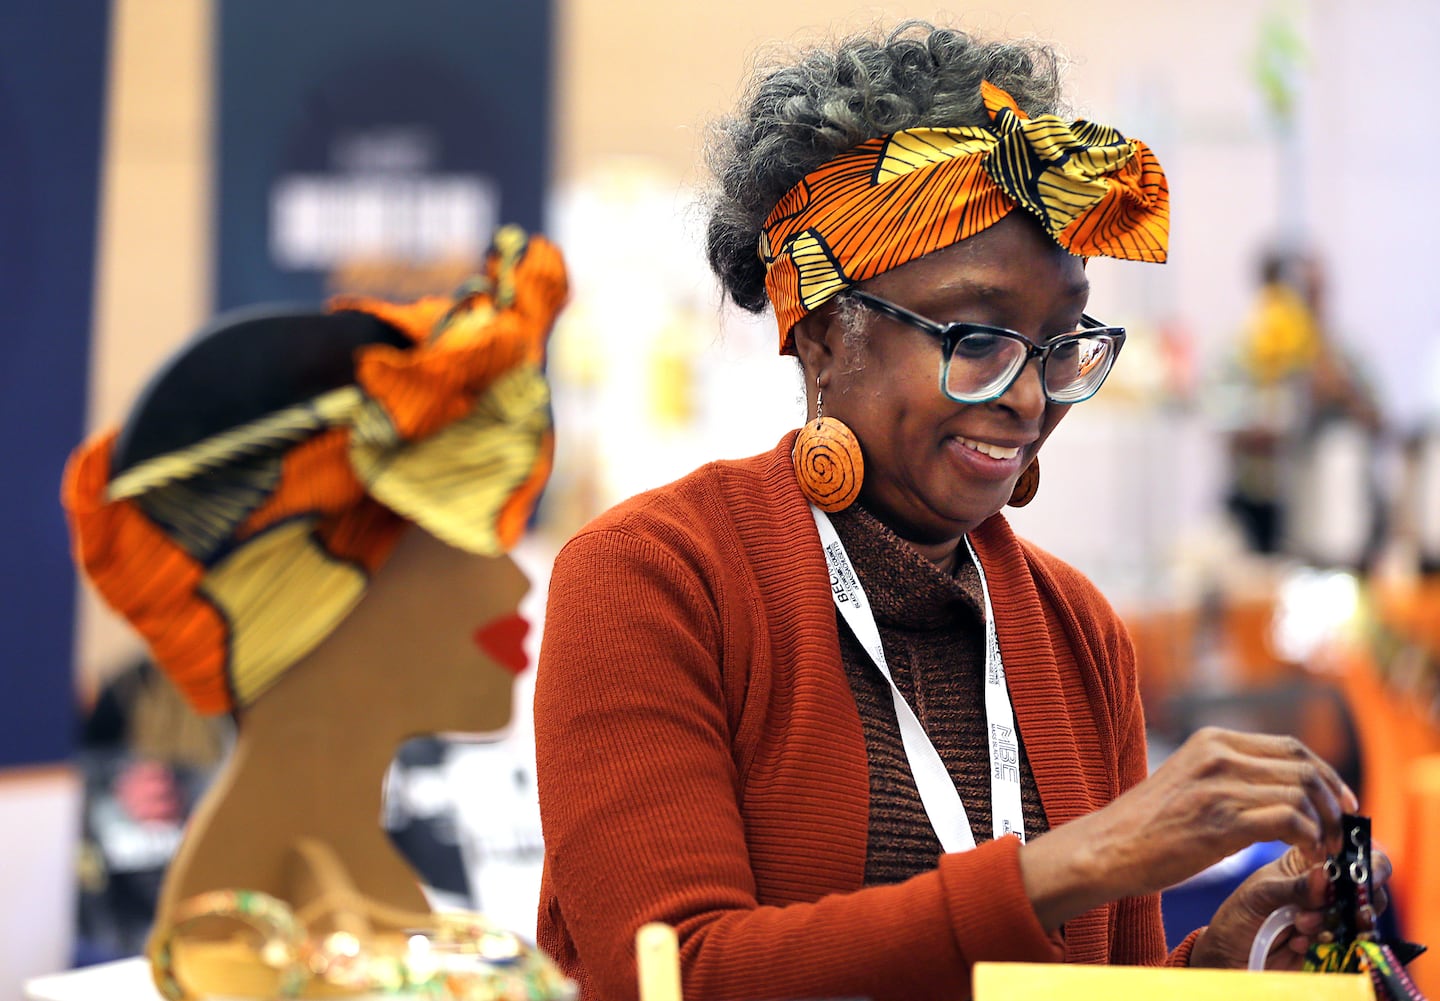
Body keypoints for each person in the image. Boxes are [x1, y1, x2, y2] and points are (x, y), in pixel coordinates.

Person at [531, 22, 1390, 1001]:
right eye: (977, 336)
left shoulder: (1077, 631)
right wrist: (1084, 856)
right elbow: (673, 973)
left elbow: (1095, 985)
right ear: (821, 335)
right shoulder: (659, 576)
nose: (1029, 394)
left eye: (1061, 341)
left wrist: (1225, 962)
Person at [64, 228, 575, 1001]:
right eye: (466, 538)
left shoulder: (353, 876)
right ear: (323, 593)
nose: (515, 583)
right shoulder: (257, 919)